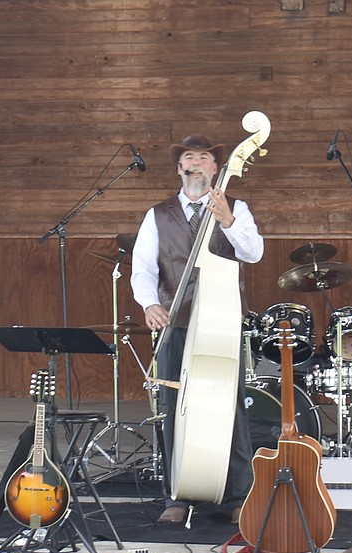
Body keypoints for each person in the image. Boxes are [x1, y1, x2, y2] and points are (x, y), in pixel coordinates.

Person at [130, 134, 264, 525]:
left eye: (204, 159)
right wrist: (149, 303)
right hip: (176, 323)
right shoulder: (157, 214)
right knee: (174, 410)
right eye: (189, 159)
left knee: (230, 408)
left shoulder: (236, 208)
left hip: (221, 323)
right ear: (179, 169)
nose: (195, 165)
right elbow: (143, 267)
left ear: (216, 169)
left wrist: (227, 221)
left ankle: (237, 494)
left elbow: (254, 253)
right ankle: (177, 495)